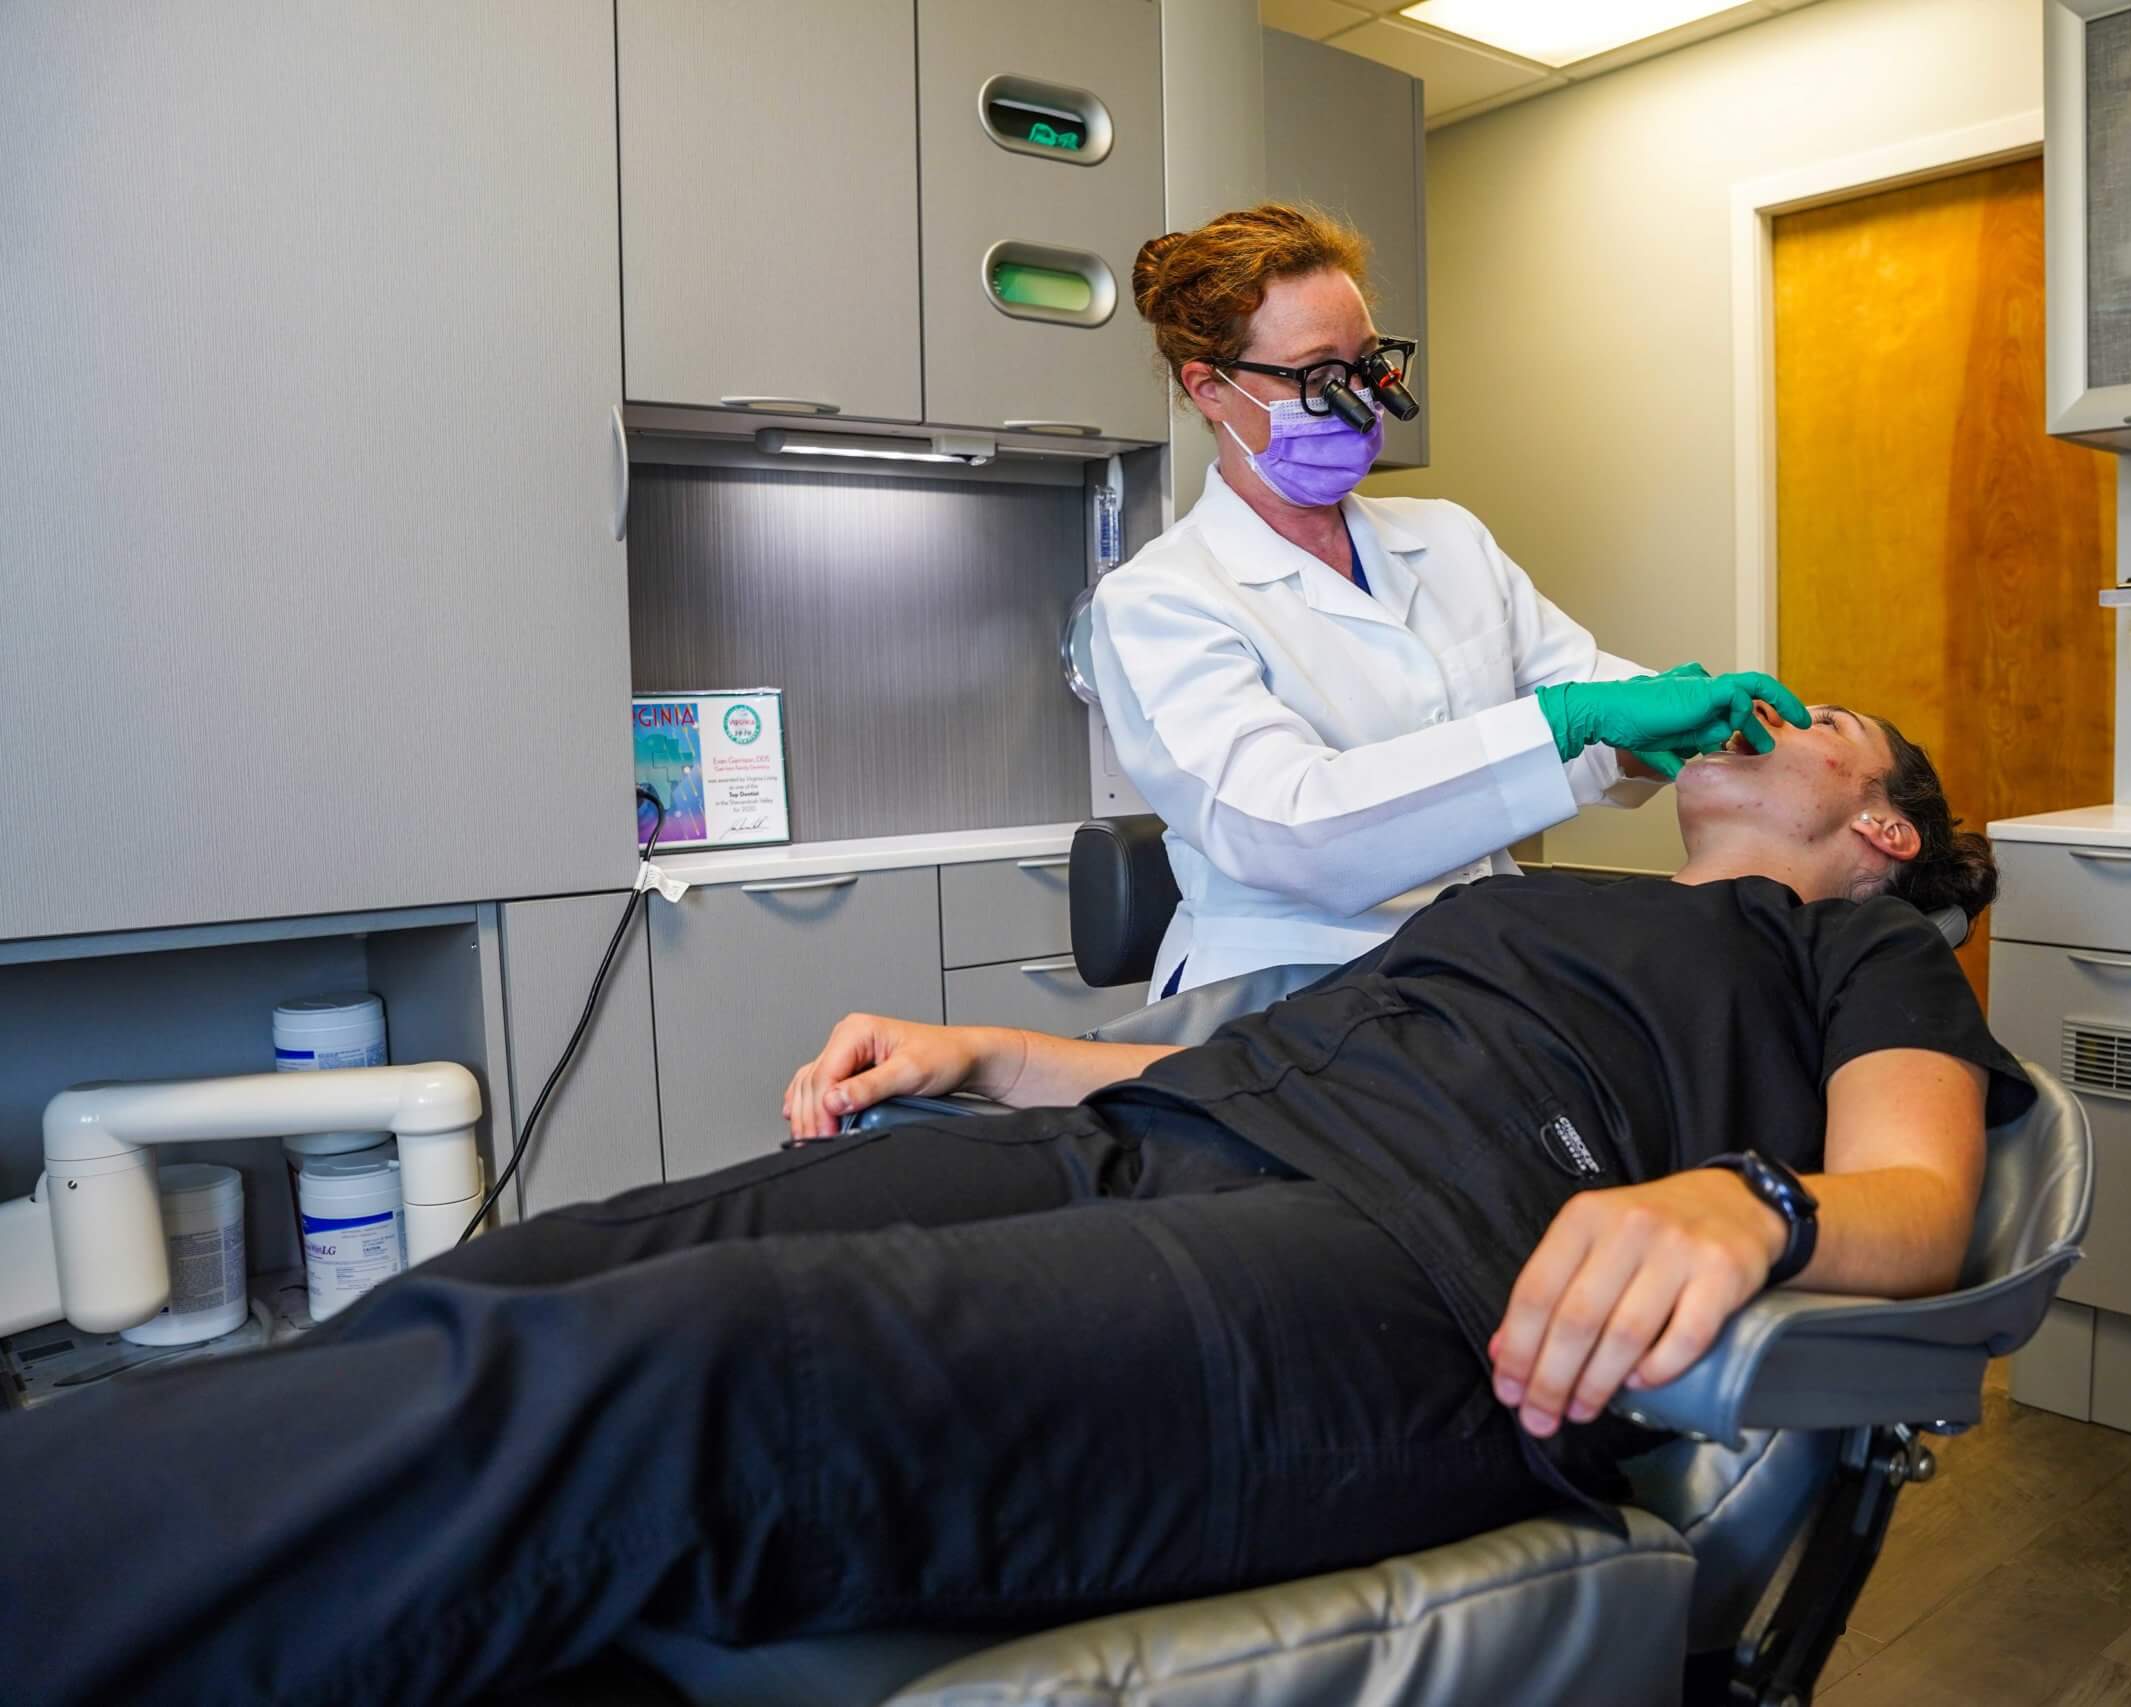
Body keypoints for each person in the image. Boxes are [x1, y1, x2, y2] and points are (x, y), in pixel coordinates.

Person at [8, 704, 2026, 1707]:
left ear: (1881, 825)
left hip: (1407, 1275)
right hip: (1176, 1137)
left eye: (1826, 716)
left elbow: (1916, 1201)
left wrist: (1745, 1198)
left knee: (674, 1375)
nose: (1770, 714)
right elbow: (1229, 1060)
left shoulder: (1850, 953)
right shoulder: (1535, 890)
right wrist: (982, 1049)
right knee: (557, 1261)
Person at [1095, 203, 1811, 995]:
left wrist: (1668, 727)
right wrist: (1569, 721)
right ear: (1212, 390)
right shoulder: (1158, 599)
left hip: (1476, 963)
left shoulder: (1447, 540)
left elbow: (1583, 705)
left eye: (1368, 364)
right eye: (1320, 377)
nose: (1362, 400)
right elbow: (1290, 831)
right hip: (1286, 989)